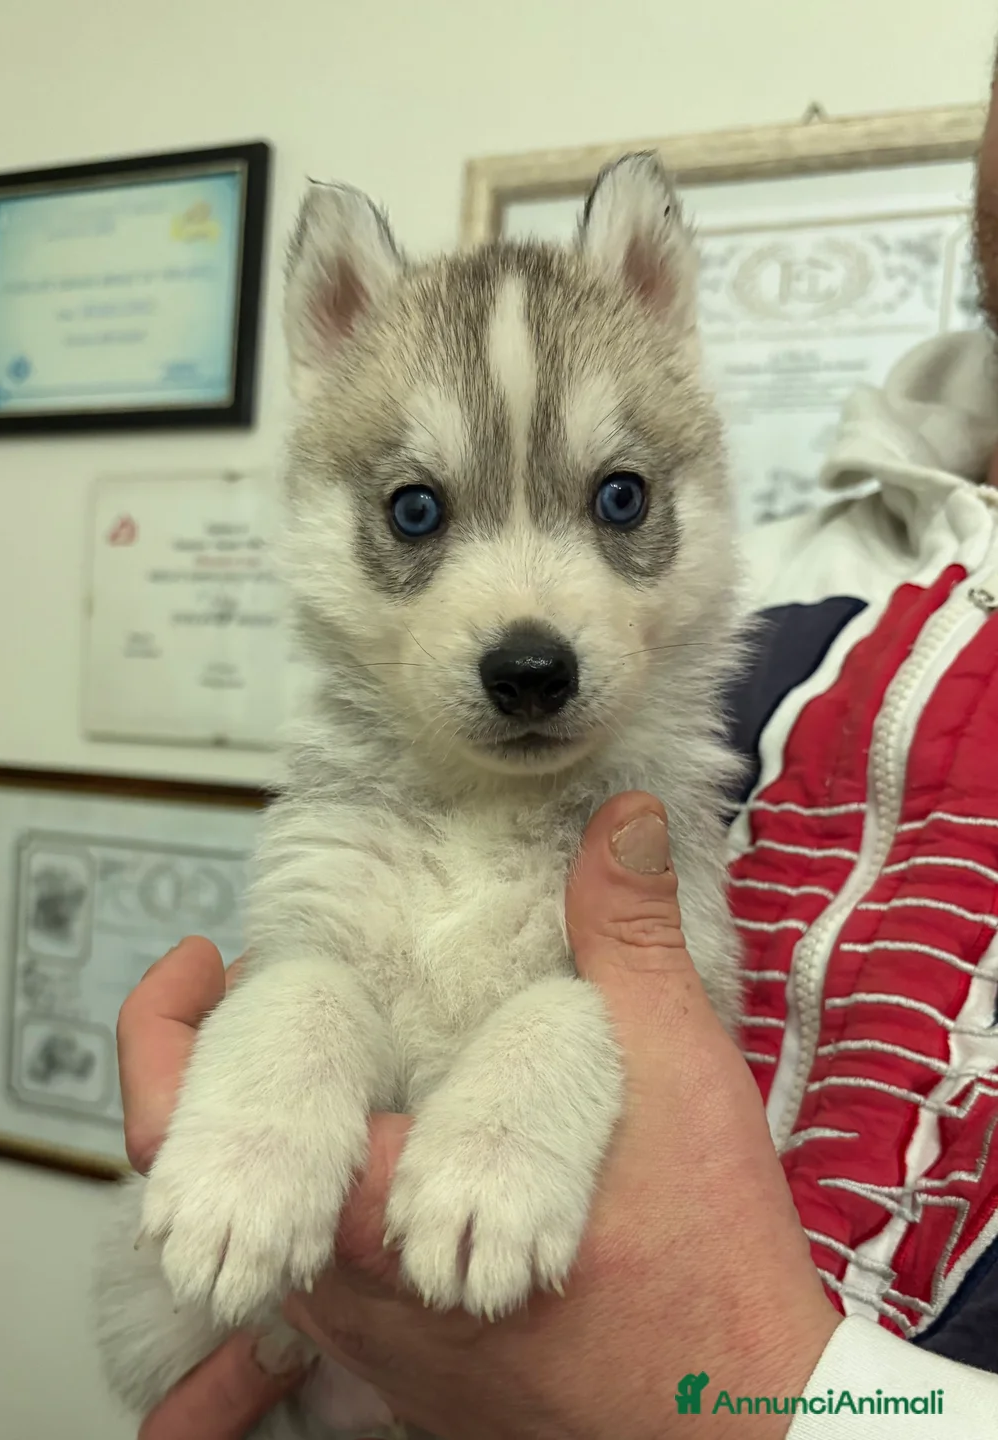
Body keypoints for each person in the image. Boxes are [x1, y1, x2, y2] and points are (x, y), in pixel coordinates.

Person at [115, 54, 998, 1440]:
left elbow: (649, 1007)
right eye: (418, 512)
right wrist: (285, 1062)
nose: (529, 622)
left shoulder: (678, 760)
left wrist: (750, 1398)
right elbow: (324, 971)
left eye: (617, 499)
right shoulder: (851, 570)